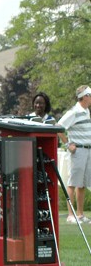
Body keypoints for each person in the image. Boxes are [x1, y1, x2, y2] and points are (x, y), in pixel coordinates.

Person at [57, 85, 91, 224]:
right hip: (78, 151)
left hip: (88, 149)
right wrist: (67, 144)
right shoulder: (74, 112)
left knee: (82, 184)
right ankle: (71, 215)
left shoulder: (86, 110)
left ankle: (80, 214)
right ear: (85, 96)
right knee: (72, 183)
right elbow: (59, 128)